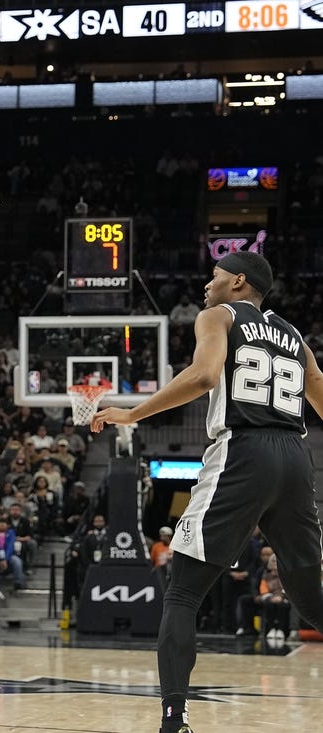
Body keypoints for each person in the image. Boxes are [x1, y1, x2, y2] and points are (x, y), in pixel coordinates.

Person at [91, 252, 323, 733]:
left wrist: (133, 414)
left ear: (237, 282)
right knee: (311, 598)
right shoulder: (293, 336)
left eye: (214, 276)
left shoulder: (218, 315)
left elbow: (204, 376)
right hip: (297, 458)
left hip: (244, 451)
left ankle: (174, 720)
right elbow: (319, 392)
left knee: (181, 595)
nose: (206, 284)